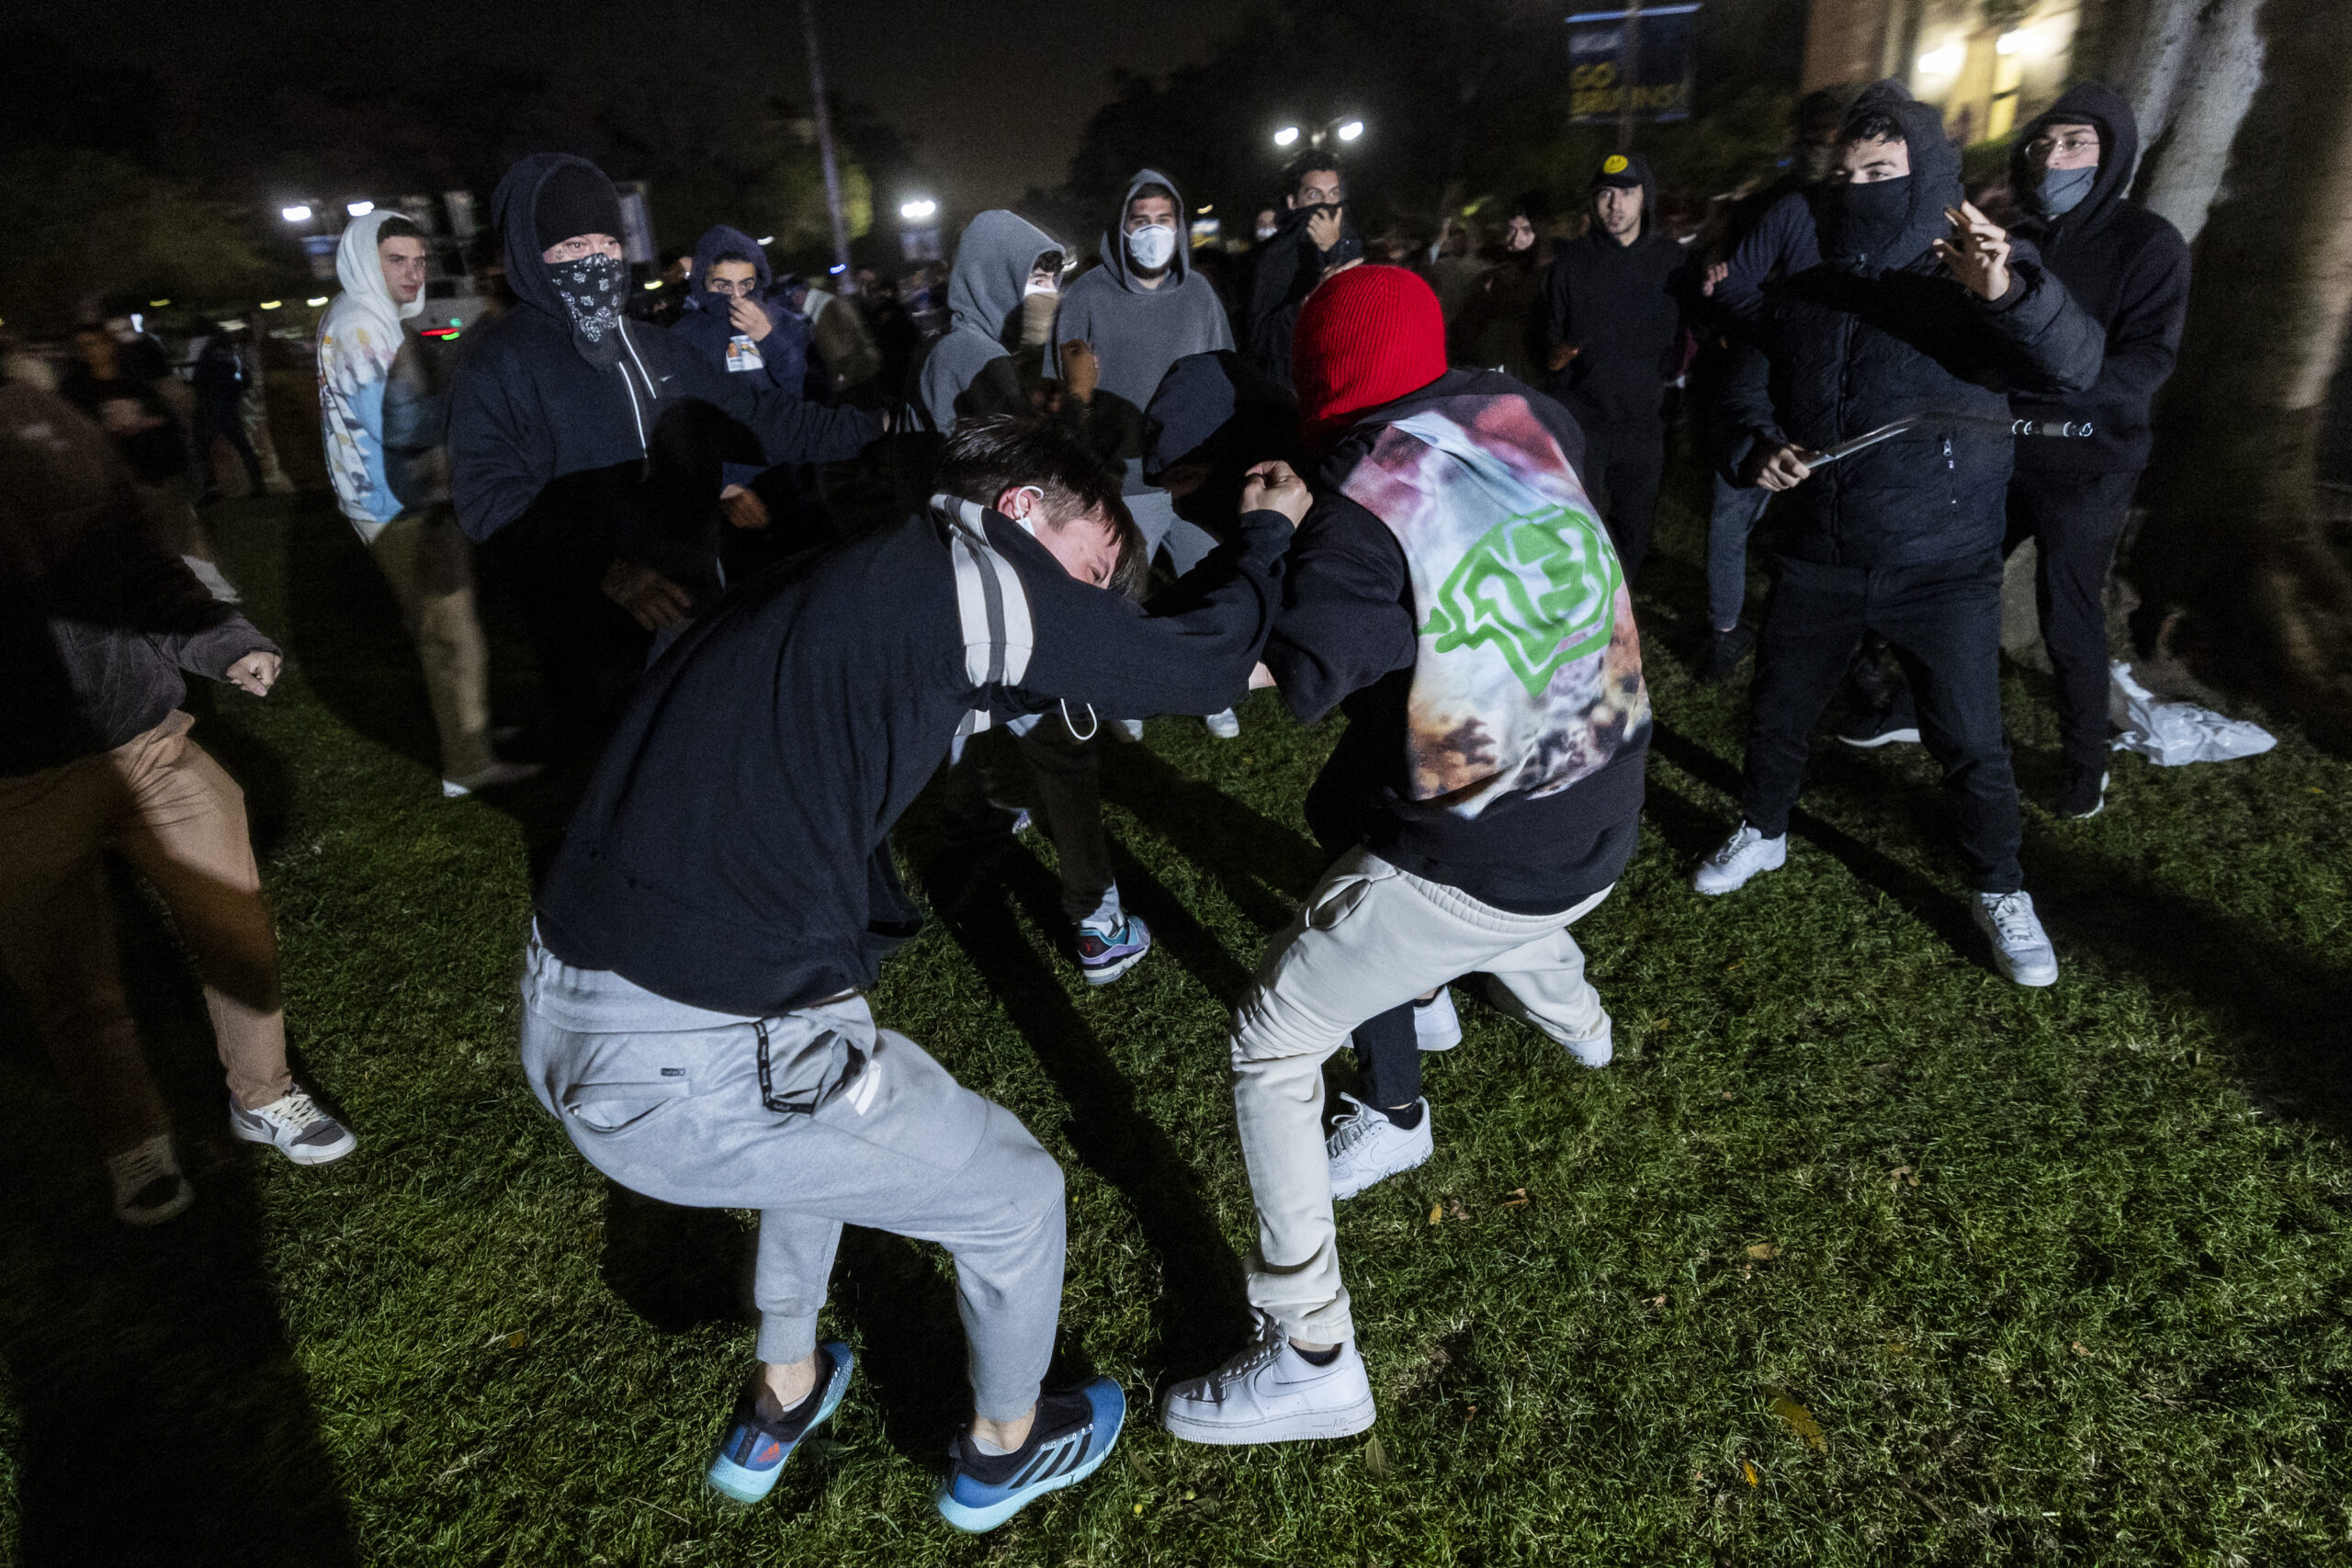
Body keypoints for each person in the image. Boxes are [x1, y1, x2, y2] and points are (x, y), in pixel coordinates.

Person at [517, 416, 1303, 1528]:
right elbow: (1203, 665)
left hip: (580, 1001)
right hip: (693, 1055)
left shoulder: (850, 577)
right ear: (1020, 511)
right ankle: (1002, 1450)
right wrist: (1267, 538)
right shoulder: (981, 582)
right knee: (1016, 1197)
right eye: (1090, 574)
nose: (1089, 608)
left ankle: (782, 1394)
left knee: (829, 1086)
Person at [1159, 266, 1648, 1445]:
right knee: (1366, 800)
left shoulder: (1355, 512)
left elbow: (1275, 673)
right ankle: (1575, 1014)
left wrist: (1269, 537)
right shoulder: (1527, 413)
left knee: (1269, 1042)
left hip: (1489, 860)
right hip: (1611, 788)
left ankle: (1312, 1349)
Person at [1693, 82, 2104, 987]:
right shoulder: (1804, 293)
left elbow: (2073, 367)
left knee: (1968, 737)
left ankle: (1998, 886)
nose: (1860, 187)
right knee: (1777, 713)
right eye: (1847, 174)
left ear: (1927, 178)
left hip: (1942, 562)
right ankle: (1762, 828)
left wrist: (2006, 289)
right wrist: (1754, 448)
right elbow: (1736, 397)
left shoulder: (1974, 285)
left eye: (1882, 170)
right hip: (1819, 553)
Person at [1, 377, 358, 1226]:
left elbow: (144, 564)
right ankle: (134, 1140)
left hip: (151, 741)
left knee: (233, 924)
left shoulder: (42, 420)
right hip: (18, 782)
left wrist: (223, 642)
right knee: (71, 978)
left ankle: (263, 1094)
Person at [446, 155, 886, 749]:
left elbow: (760, 420)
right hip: (593, 631)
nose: (598, 261)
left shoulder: (659, 349)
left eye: (607, 242)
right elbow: (490, 502)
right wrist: (607, 569)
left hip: (694, 607)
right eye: (574, 246)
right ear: (529, 252)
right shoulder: (495, 364)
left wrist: (881, 423)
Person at [919, 210, 1154, 982]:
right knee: (1062, 748)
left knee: (962, 703)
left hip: (959, 578)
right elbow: (1052, 483)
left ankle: (966, 814)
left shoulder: (962, 349)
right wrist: (1079, 400)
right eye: (1035, 279)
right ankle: (1097, 921)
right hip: (1008, 587)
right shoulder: (973, 356)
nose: (1045, 297)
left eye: (1051, 280)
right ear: (995, 276)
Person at [1999, 84, 2191, 818]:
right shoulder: (2015, 238)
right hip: (2005, 451)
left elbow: (2149, 361)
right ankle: (1900, 703)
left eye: (2076, 143)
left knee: (2068, 614)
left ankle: (2085, 764)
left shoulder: (2149, 243)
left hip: (2091, 461)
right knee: (1945, 580)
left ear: (2111, 155)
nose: (2055, 157)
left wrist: (2065, 383)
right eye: (2044, 143)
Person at [319, 210, 535, 797]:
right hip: (403, 506)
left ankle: (474, 732)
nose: (414, 273)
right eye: (398, 261)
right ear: (367, 259)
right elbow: (399, 421)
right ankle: (469, 761)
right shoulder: (365, 324)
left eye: (419, 261)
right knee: (451, 635)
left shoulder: (368, 316)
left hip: (398, 498)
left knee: (446, 632)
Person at [1051, 168, 1243, 738]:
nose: (1153, 232)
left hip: (1194, 473)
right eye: (1142, 222)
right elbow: (1061, 388)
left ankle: (1210, 689)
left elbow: (1226, 375)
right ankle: (1127, 696)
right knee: (1123, 596)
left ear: (1180, 227)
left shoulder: (1200, 295)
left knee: (1210, 585)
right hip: (1122, 479)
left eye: (1164, 221)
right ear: (1122, 229)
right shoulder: (1086, 296)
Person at [1694, 89, 1845, 682]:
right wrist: (1787, 326)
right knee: (1735, 507)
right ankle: (1724, 635)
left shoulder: (1882, 213)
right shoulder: (1775, 207)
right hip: (1761, 373)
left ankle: (1822, 651)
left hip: (1832, 385)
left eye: (1834, 133)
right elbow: (1725, 283)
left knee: (1817, 521)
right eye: (1815, 132)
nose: (1824, 145)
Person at [1537, 150, 1690, 585]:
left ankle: (1618, 616)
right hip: (1583, 419)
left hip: (1645, 422)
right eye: (1605, 193)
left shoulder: (1674, 263)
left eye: (1627, 192)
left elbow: (1698, 330)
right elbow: (1549, 341)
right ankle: (1574, 611)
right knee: (1575, 526)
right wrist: (1560, 358)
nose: (1615, 205)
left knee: (1633, 529)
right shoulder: (1570, 265)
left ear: (1646, 197)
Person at [669, 224, 834, 571]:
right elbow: (677, 423)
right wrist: (725, 485)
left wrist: (770, 340)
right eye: (722, 286)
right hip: (733, 489)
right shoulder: (682, 340)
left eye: (746, 284)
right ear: (702, 283)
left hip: (795, 478)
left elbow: (813, 396)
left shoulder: (787, 325)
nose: (736, 298)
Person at [60, 321, 238, 604]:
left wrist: (148, 427)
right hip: (113, 481)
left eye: (95, 343)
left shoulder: (134, 379)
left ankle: (207, 593)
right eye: (83, 347)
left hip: (156, 472)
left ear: (108, 345)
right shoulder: (76, 392)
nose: (91, 352)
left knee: (178, 538)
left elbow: (166, 421)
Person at [1246, 152, 1363, 391]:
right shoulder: (1275, 256)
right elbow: (1261, 339)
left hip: (1346, 384)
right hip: (1293, 391)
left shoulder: (1352, 243)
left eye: (1334, 194)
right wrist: (1307, 304)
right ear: (1293, 203)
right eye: (1314, 195)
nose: (1327, 205)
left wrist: (1334, 249)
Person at [1448, 198, 1546, 383]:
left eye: (1526, 230)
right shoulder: (1489, 279)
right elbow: (1466, 326)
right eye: (1512, 230)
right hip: (1495, 370)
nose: (1516, 239)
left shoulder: (1547, 279)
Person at [190, 321, 266, 504]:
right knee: (243, 446)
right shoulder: (232, 354)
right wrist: (233, 391)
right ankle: (258, 485)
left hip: (210, 407)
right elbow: (245, 380)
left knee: (203, 448)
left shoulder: (207, 353)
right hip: (230, 406)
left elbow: (198, 378)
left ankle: (212, 488)